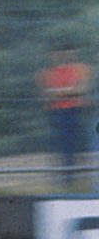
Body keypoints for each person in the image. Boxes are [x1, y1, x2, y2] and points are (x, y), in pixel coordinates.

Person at [38, 46, 94, 187]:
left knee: (79, 143)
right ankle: (67, 177)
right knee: (63, 145)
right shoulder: (48, 73)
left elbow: (82, 89)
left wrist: (59, 93)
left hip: (76, 110)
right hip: (57, 112)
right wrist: (69, 91)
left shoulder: (81, 69)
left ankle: (82, 175)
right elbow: (45, 94)